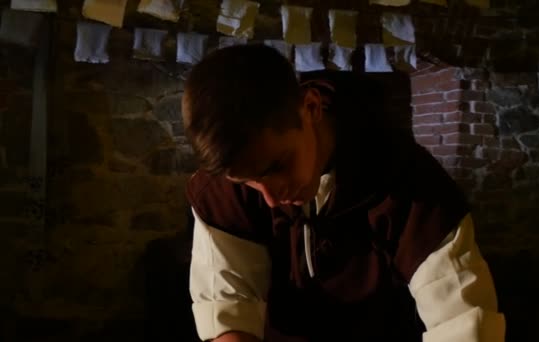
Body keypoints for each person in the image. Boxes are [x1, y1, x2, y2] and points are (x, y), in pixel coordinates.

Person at [182, 44, 505, 342]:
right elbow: (229, 302)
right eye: (247, 182)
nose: (269, 197)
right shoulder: (223, 189)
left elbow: (461, 320)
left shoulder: (408, 179)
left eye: (277, 166)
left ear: (310, 107)